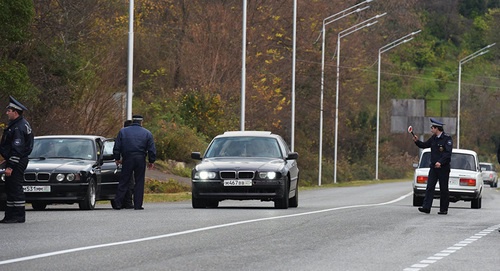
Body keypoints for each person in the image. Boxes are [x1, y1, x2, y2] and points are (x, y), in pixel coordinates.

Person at [0, 96, 34, 223]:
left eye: (9, 110)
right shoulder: (17, 124)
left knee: (15, 187)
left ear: (15, 111)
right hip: (15, 159)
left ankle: (18, 215)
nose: (7, 112)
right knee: (10, 187)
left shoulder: (18, 127)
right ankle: (10, 215)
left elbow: (17, 148)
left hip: (17, 161)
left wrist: (10, 166)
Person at [113, 115, 156, 210]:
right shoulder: (147, 133)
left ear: (133, 121)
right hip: (140, 158)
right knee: (139, 181)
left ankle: (118, 203)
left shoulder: (123, 131)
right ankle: (137, 205)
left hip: (127, 158)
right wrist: (151, 161)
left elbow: (117, 146)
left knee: (124, 181)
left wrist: (117, 158)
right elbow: (151, 149)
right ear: (141, 122)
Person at [412, 118, 453, 215]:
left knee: (444, 188)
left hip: (443, 168)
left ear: (437, 128)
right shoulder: (433, 138)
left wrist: (440, 162)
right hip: (434, 167)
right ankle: (426, 207)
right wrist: (417, 141)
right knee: (430, 187)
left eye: (432, 128)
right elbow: (425, 145)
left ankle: (443, 209)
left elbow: (447, 153)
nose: (431, 129)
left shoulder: (447, 139)